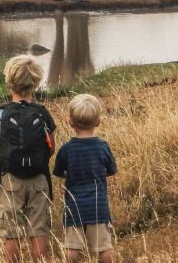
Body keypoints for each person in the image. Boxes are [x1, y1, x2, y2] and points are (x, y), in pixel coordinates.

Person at [0, 55, 57, 263]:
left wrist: (9, 161)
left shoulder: (1, 112)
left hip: (11, 179)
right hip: (39, 178)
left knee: (12, 231)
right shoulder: (42, 113)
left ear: (9, 81)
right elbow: (51, 146)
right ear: (36, 83)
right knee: (38, 230)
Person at [53, 94, 117, 263]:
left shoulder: (66, 149)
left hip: (74, 205)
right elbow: (111, 170)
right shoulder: (103, 147)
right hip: (98, 205)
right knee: (104, 246)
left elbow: (59, 172)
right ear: (98, 121)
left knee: (72, 247)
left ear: (70, 122)